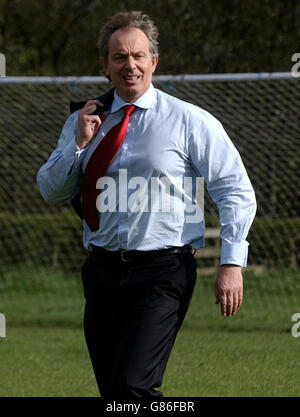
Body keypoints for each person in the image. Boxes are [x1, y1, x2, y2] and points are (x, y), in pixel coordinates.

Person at [36, 11, 256, 398]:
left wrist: (232, 262)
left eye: (139, 55)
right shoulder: (85, 119)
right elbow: (51, 190)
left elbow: (234, 189)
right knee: (114, 392)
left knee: (132, 386)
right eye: (119, 57)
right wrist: (77, 144)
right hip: (102, 271)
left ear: (154, 61)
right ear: (104, 64)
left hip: (163, 271)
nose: (130, 65)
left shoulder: (189, 121)